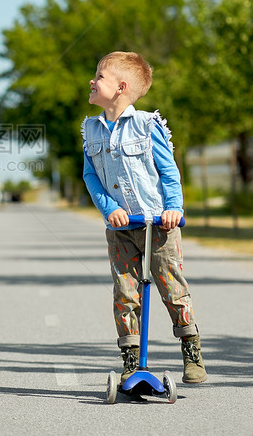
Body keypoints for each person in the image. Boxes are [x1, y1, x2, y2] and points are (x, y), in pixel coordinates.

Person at [81, 51, 207, 385]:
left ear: (121, 87)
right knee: (125, 294)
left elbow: (169, 172)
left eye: (100, 77)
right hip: (121, 229)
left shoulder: (147, 125)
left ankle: (191, 350)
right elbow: (90, 177)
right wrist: (110, 209)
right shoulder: (90, 130)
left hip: (159, 226)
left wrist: (174, 208)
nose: (92, 81)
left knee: (173, 290)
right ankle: (131, 361)